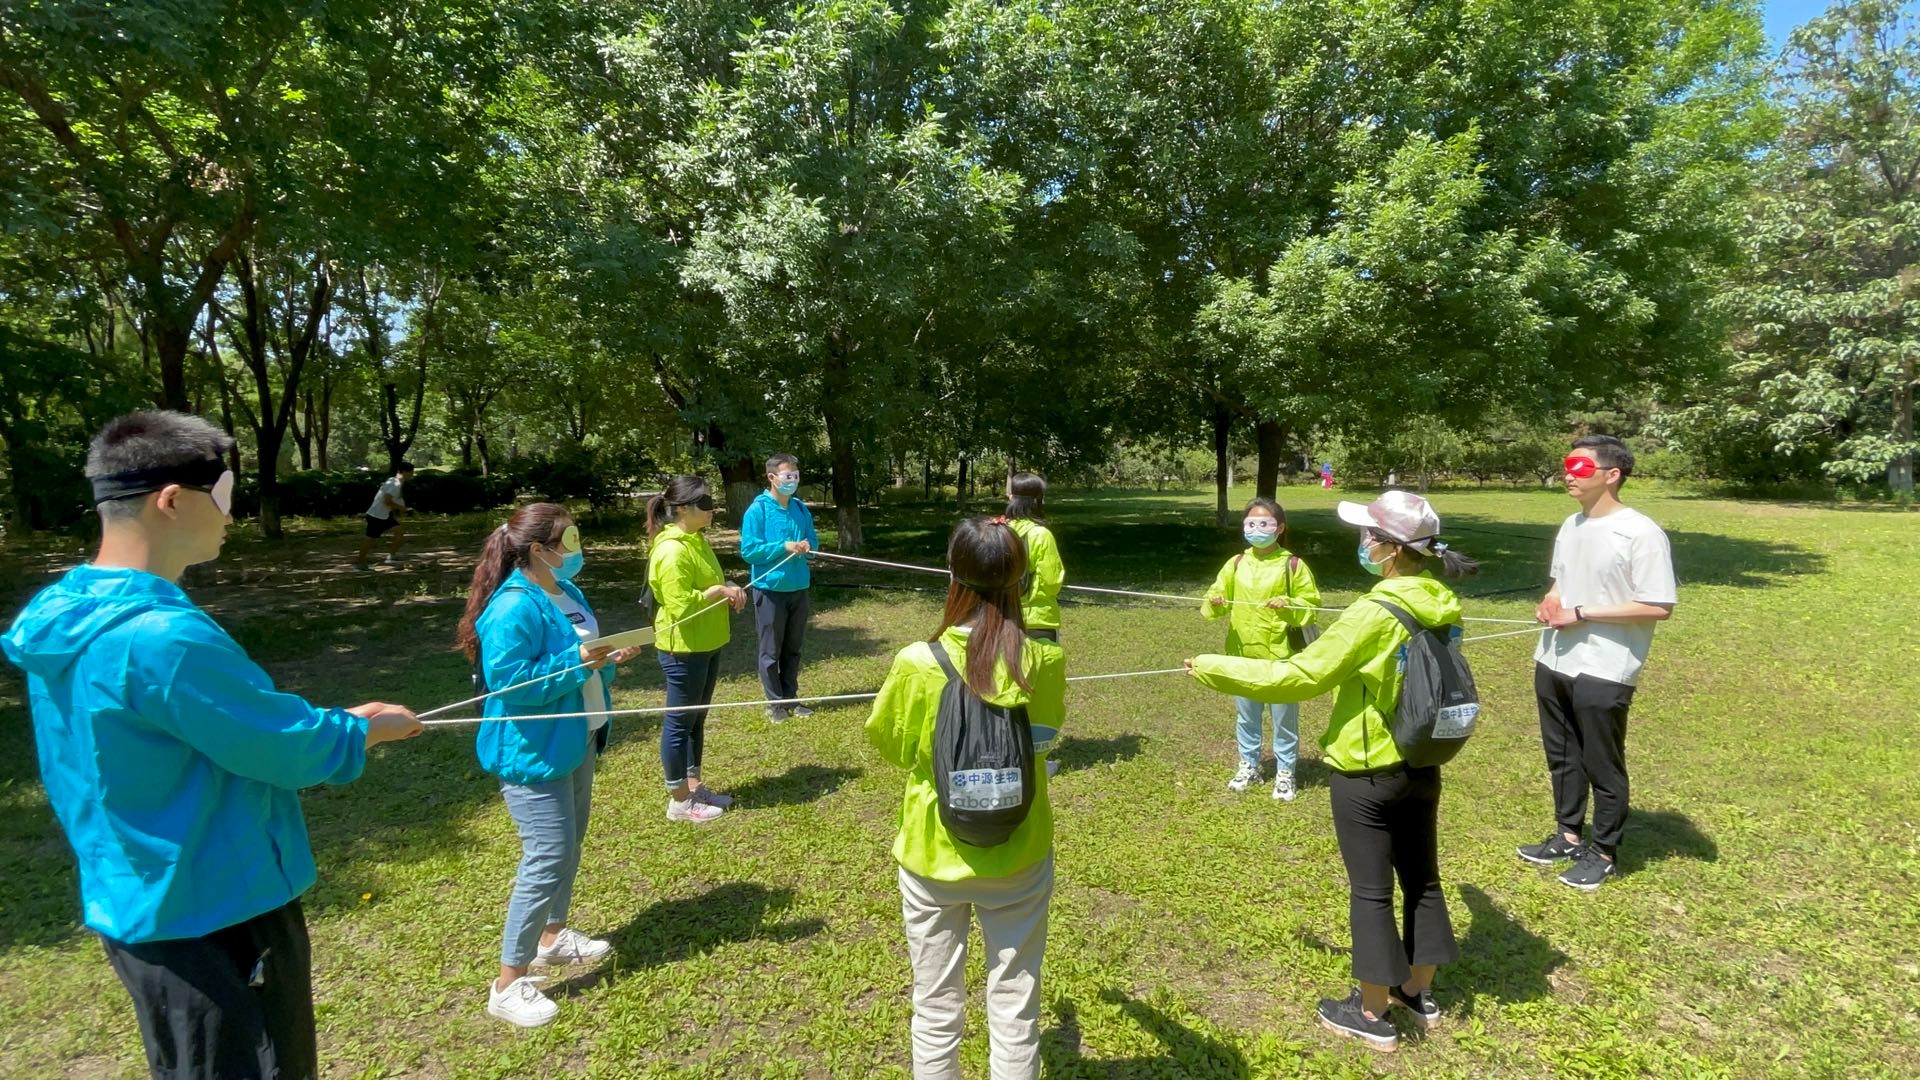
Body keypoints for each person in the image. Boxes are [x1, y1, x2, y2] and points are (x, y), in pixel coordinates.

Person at [1, 410, 422, 1079]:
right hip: (218, 909)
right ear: (171, 500)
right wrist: (366, 728)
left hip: (141, 900)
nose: (231, 514)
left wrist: (343, 721)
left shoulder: (67, 614)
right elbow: (280, 748)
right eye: (223, 496)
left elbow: (216, 726)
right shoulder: (160, 638)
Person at [1186, 490, 1476, 1052]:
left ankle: (1370, 1012)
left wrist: (1212, 667)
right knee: (1423, 878)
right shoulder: (1441, 599)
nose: (1362, 543)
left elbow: (1299, 676)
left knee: (1371, 891)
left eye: (1370, 535)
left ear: (1391, 549)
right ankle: (1417, 991)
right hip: (1422, 762)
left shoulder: (1373, 612)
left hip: (1368, 770)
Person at [867, 517, 1066, 1080]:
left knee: (934, 1003)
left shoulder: (917, 661)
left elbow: (892, 745)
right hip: (1020, 852)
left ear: (952, 574)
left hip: (931, 854)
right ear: (1021, 579)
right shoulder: (1043, 660)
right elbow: (1044, 740)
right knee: (1016, 1002)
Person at [457, 503, 644, 1027]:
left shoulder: (567, 592)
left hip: (577, 736)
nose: (577, 548)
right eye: (571, 539)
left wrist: (606, 657)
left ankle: (553, 937)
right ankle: (508, 983)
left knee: (569, 845)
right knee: (547, 857)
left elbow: (583, 655)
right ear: (538, 549)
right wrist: (578, 661)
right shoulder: (512, 606)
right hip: (533, 750)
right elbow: (512, 684)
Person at [1520, 435, 1676, 891]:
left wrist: (1583, 613)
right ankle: (1568, 835)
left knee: (1600, 761)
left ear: (1612, 475)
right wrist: (1551, 602)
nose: (1569, 475)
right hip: (1555, 656)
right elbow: (1560, 581)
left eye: (1580, 467)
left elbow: (1658, 605)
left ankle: (1604, 852)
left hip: (1606, 665)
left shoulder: (1641, 532)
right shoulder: (1572, 525)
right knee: (1562, 755)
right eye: (1567, 465)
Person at [1202, 497, 1323, 801]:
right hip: (1243, 653)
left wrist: (1289, 604)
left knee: (1284, 719)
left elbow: (1311, 605)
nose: (1256, 529)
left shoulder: (1292, 565)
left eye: (1264, 524)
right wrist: (1215, 601)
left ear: (1280, 528)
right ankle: (1249, 765)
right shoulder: (1237, 563)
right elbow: (1216, 597)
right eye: (1251, 523)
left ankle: (1285, 772)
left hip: (1281, 657)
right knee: (1246, 716)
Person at [648, 475, 746, 823]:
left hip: (707, 642)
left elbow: (709, 584)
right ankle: (679, 802)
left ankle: (693, 787)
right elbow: (680, 606)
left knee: (696, 719)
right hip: (684, 649)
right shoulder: (672, 550)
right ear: (683, 508)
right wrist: (718, 592)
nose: (712, 509)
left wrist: (728, 586)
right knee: (679, 723)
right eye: (705, 503)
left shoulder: (696, 540)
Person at [739, 453, 819, 722]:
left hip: (799, 587)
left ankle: (791, 698)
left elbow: (814, 543)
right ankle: (775, 705)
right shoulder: (758, 510)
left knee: (793, 648)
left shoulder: (800, 508)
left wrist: (808, 547)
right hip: (770, 590)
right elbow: (749, 550)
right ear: (772, 478)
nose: (792, 481)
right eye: (787, 476)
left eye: (795, 476)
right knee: (771, 651)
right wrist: (783, 546)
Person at [1002, 472, 1064, 644]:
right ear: (1039, 500)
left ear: (1011, 497)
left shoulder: (1000, 530)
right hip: (1038, 620)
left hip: (1001, 615)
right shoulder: (1041, 535)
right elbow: (1052, 583)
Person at [356, 461, 415, 569]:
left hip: (384, 515)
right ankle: (360, 563)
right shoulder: (395, 484)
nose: (412, 475)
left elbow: (390, 499)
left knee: (399, 532)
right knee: (370, 539)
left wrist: (397, 509)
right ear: (404, 472)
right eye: (411, 472)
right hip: (377, 516)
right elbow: (387, 501)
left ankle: (391, 556)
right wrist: (402, 508)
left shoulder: (393, 480)